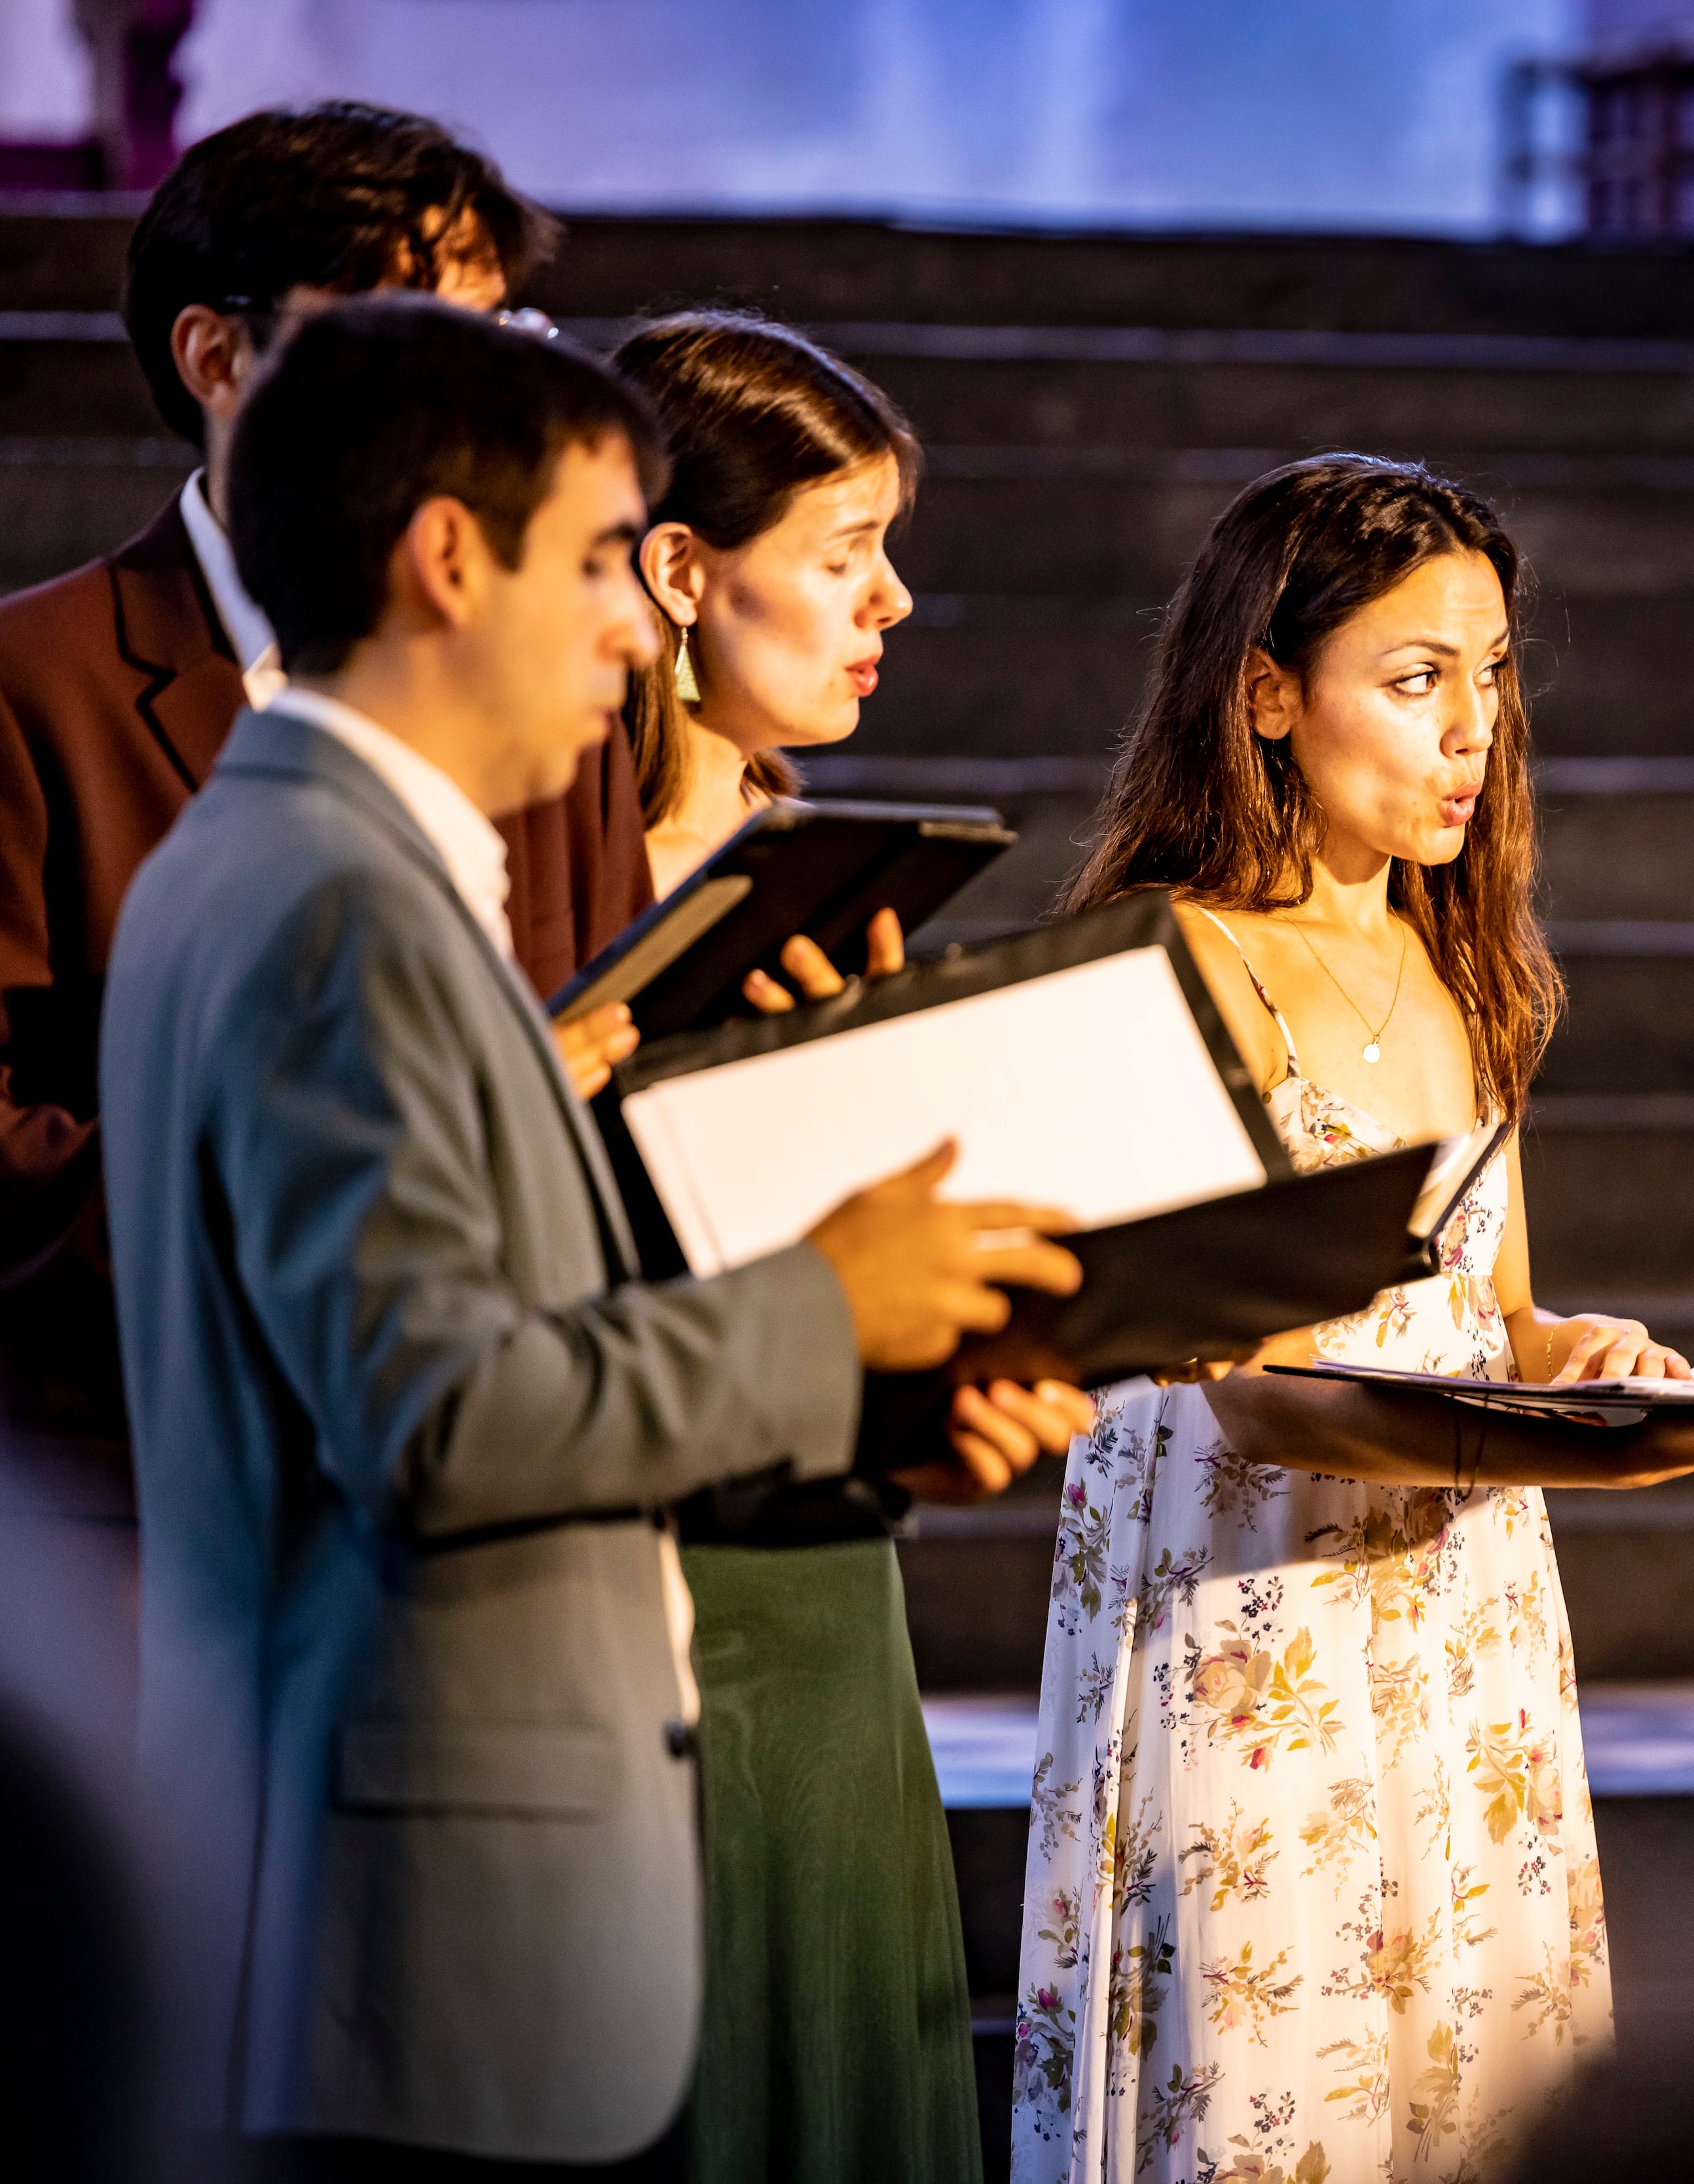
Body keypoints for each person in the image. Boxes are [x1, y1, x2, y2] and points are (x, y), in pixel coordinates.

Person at [100, 297, 1084, 2179]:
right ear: (448, 559)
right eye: (595, 564)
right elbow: (440, 1412)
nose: (640, 624)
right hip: (425, 1914)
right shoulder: (337, 906)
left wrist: (852, 1413)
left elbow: (492, 1329)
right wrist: (823, 1303)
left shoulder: (326, 869)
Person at [1010, 455, 1694, 2183]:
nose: (1475, 733)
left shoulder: (1463, 960)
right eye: (1419, 677)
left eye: (1495, 676)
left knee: (1473, 2085)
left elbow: (1488, 1308)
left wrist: (1584, 1359)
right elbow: (1252, 1391)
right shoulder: (1171, 958)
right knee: (1274, 2085)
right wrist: (1572, 1457)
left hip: (1462, 1611)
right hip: (1259, 1622)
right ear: (1272, 692)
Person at [0, 101, 651, 1553]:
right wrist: (439, 1125)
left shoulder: (559, 689)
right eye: (418, 341)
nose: (483, 402)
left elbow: (611, 1037)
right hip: (161, 1521)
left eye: (502, 340)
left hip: (515, 1496)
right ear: (219, 357)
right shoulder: (32, 687)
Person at [613, 308, 1088, 2184]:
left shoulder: (828, 873)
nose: (892, 601)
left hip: (826, 1574)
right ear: (676, 572)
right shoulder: (529, 892)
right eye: (839, 552)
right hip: (643, 1594)